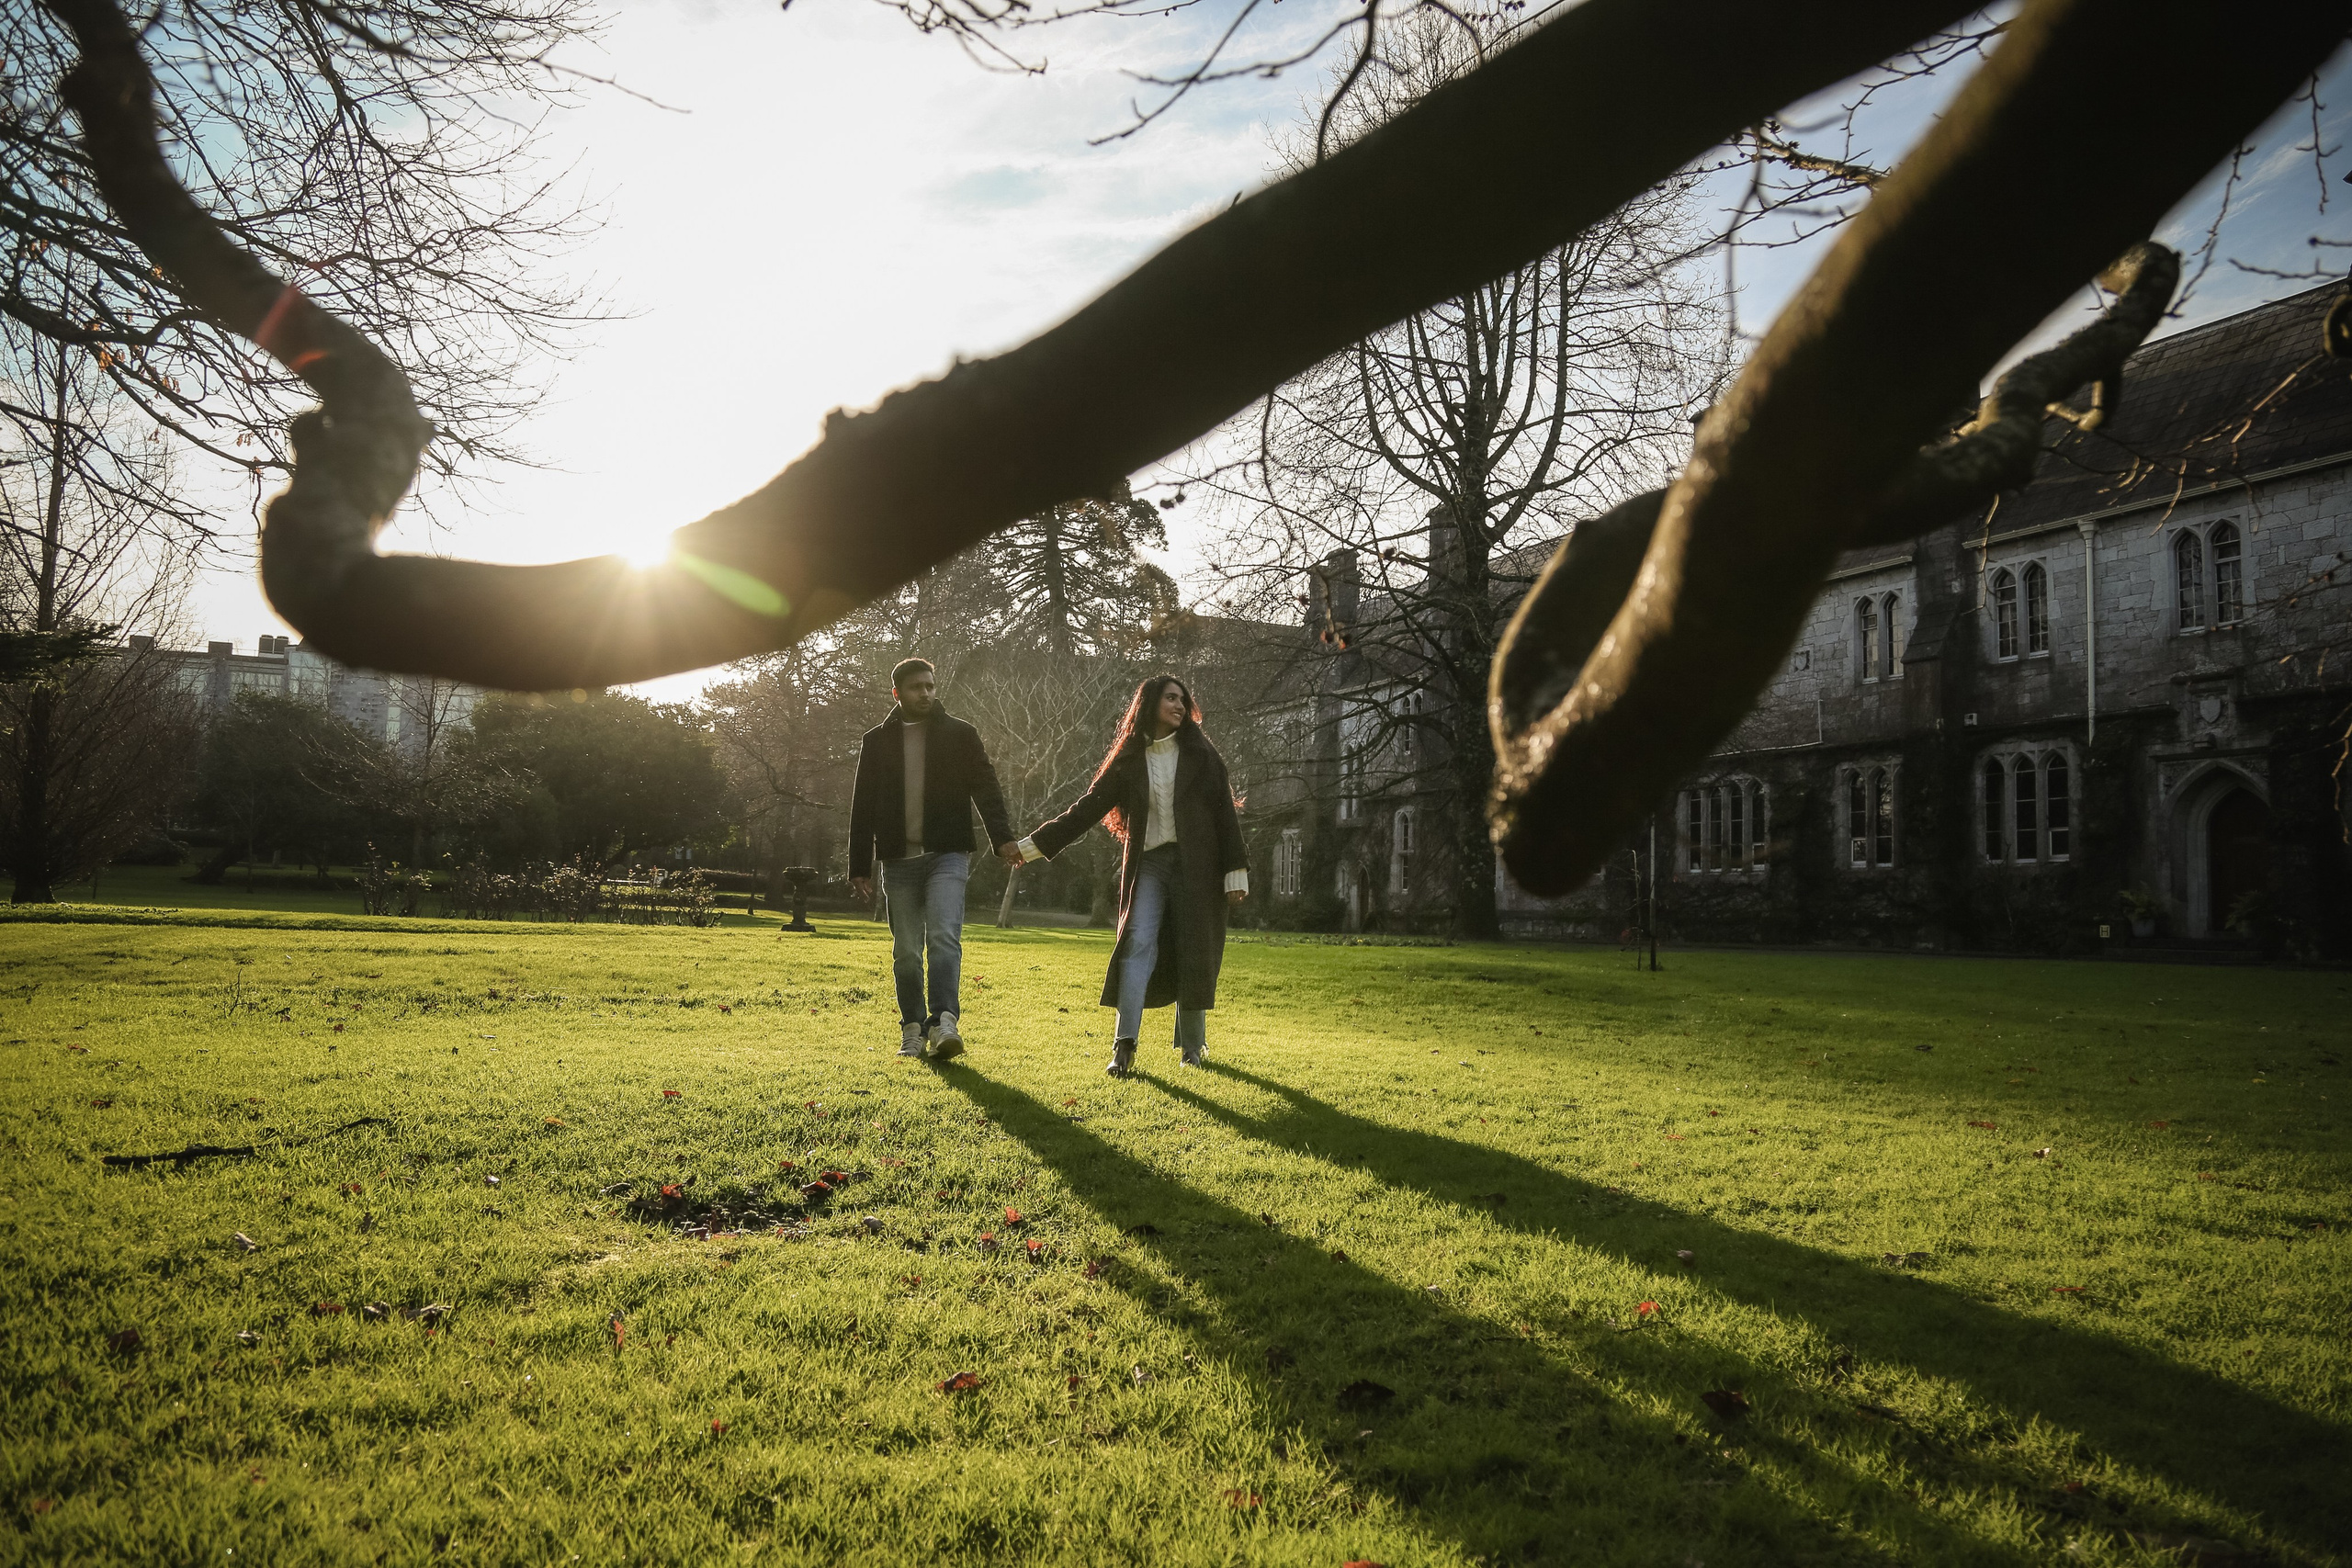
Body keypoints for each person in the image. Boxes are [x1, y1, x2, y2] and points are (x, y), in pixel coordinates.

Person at [1009, 673, 1247, 1076]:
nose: (1179, 706)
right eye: (1171, 698)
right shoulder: (1130, 759)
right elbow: (1087, 809)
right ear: (1150, 703)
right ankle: (1124, 1045)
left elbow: (1224, 813)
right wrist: (1031, 846)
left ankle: (1192, 1048)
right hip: (1149, 866)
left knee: (1194, 948)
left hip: (1198, 868)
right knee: (1136, 943)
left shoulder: (1202, 754)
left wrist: (1235, 870)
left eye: (1183, 700)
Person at [847, 658, 1017, 1060]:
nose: (924, 693)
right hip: (898, 862)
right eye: (915, 688)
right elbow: (862, 806)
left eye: (929, 686)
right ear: (897, 693)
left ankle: (944, 1023)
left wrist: (1003, 839)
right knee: (906, 949)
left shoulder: (960, 734)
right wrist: (858, 866)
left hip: (947, 855)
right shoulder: (877, 741)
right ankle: (912, 1028)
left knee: (943, 938)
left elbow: (986, 788)